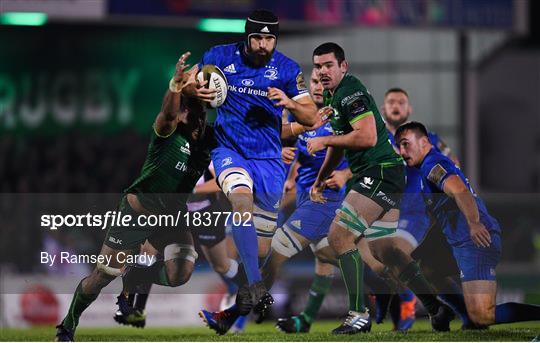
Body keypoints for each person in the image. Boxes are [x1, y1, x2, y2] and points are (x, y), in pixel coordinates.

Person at [55, 52, 212, 341]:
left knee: (181, 274)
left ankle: (139, 273)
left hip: (171, 218)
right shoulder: (168, 131)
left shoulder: (206, 141)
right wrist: (176, 84)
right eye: (194, 78)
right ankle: (68, 324)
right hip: (136, 213)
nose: (200, 80)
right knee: (103, 275)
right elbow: (166, 113)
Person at [307, 43, 451, 334]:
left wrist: (323, 142)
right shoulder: (335, 97)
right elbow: (340, 143)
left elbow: (368, 137)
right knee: (387, 250)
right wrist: (321, 177)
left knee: (339, 236)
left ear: (343, 66)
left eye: (328, 65)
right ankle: (437, 308)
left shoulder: (352, 92)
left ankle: (358, 314)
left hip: (380, 172)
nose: (322, 71)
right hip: (381, 174)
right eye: (318, 66)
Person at [188, 9, 318, 330]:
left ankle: (241, 302)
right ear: (247, 37)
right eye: (257, 38)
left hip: (270, 161)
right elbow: (193, 83)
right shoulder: (219, 56)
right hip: (230, 151)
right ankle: (255, 288)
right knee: (240, 202)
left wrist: (289, 104)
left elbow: (311, 116)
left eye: (269, 39)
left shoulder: (286, 69)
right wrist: (195, 90)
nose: (263, 45)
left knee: (260, 251)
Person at [395, 121, 540, 327]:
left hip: (476, 240)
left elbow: (460, 191)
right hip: (458, 240)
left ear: (425, 142)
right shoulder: (424, 170)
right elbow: (441, 211)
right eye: (399, 146)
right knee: (427, 269)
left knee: (483, 315)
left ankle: (474, 318)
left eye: (406, 144)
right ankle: (466, 317)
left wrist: (474, 223)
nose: (402, 151)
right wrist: (425, 245)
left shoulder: (432, 165)